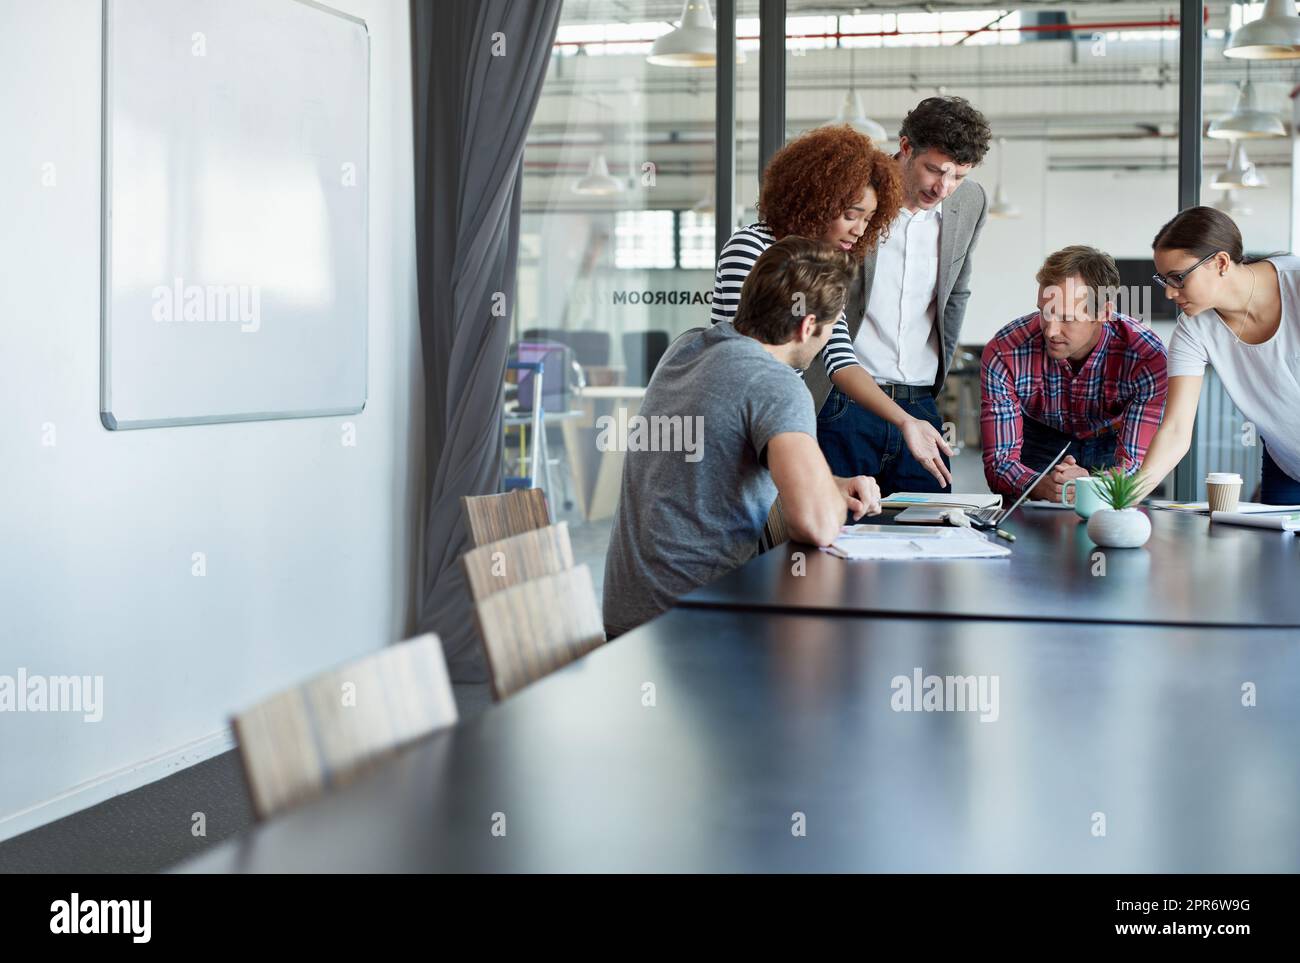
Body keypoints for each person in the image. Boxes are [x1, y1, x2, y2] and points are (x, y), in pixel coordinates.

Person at [604, 237, 882, 639]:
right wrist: (826, 498)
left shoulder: (686, 348)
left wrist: (831, 485)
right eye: (830, 329)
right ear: (807, 326)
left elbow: (718, 465)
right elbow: (816, 525)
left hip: (627, 618)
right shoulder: (777, 384)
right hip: (694, 626)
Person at [711, 125, 958, 489]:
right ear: (817, 199)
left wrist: (906, 421)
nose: (860, 230)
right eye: (851, 214)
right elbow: (740, 359)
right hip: (745, 430)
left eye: (869, 219)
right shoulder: (750, 247)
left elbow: (841, 360)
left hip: (780, 426)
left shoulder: (826, 266)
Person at [809, 96, 992, 495]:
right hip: (844, 401)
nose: (944, 188)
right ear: (906, 147)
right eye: (935, 170)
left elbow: (957, 290)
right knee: (837, 538)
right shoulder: (857, 196)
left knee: (930, 538)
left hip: (920, 403)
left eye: (958, 175)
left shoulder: (970, 202)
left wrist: (933, 384)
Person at [1136, 206, 1300, 504]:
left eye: (1178, 278)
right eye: (1164, 281)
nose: (1170, 293)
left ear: (1221, 262)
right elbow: (1175, 431)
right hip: (1288, 464)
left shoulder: (1296, 284)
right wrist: (1124, 499)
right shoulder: (1193, 329)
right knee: (1278, 550)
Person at [980, 246, 1169, 502]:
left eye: (1067, 318)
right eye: (1045, 313)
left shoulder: (1146, 356)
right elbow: (999, 464)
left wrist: (1090, 486)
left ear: (1103, 313)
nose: (1050, 331)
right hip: (1039, 440)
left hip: (1112, 444)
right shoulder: (1005, 351)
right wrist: (1041, 486)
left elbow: (1135, 468)